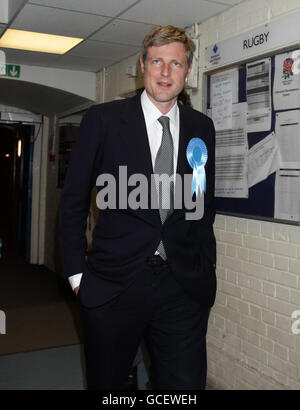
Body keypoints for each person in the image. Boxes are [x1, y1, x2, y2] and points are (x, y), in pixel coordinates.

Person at [59, 25, 216, 390]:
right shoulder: (103, 120)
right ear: (142, 65)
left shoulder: (201, 127)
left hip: (182, 285)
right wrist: (78, 277)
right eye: (157, 61)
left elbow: (203, 203)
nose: (165, 72)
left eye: (175, 63)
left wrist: (206, 267)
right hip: (113, 284)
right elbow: (73, 202)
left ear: (187, 72)